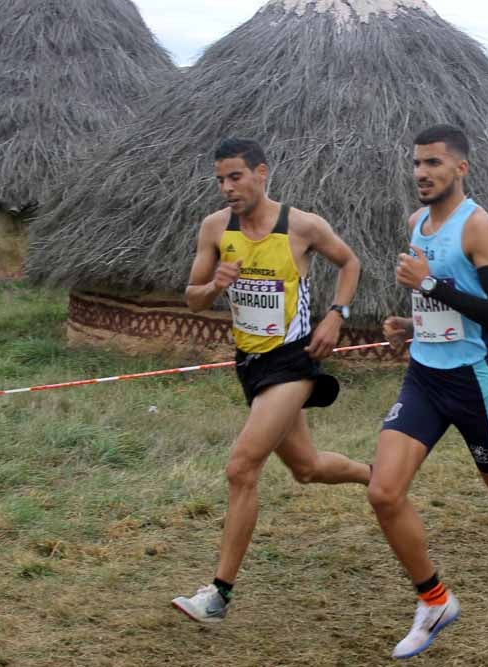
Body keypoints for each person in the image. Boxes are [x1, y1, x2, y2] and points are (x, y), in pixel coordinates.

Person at [369, 124, 488, 659]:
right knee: (384, 492)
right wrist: (413, 325)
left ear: (459, 169)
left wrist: (428, 284)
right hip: (424, 376)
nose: (423, 173)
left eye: (433, 163)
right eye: (418, 164)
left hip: (474, 381)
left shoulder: (479, 227)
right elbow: (444, 304)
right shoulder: (417, 223)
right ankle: (434, 601)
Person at [172, 138, 371, 623]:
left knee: (241, 468)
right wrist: (215, 285)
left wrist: (335, 316)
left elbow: (349, 262)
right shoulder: (215, 228)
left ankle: (219, 594)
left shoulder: (301, 225)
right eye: (220, 179)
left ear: (261, 173)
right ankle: (378, 476)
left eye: (236, 176)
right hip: (250, 364)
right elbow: (192, 299)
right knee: (306, 467)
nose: (227, 188)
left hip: (294, 362)